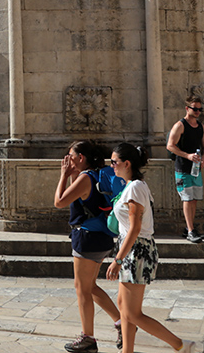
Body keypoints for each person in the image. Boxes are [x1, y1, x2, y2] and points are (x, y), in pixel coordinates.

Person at [105, 143, 197, 353]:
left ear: (126, 163)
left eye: (114, 162)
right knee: (124, 306)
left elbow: (135, 228)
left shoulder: (136, 187)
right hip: (131, 249)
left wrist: (117, 260)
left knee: (133, 313)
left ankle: (181, 345)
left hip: (136, 251)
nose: (112, 166)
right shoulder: (132, 186)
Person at [54, 140, 121, 353]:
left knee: (82, 289)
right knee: (90, 287)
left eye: (71, 156)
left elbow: (60, 201)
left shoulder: (85, 178)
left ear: (81, 158)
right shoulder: (100, 174)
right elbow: (84, 199)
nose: (68, 160)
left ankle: (88, 338)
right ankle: (121, 322)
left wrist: (63, 175)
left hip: (87, 238)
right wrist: (73, 174)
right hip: (101, 237)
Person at [164, 95, 204, 243]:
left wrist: (203, 158)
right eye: (195, 109)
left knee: (194, 199)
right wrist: (187, 156)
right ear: (187, 108)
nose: (198, 112)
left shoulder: (201, 127)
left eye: (200, 109)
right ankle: (190, 230)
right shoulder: (180, 125)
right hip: (183, 168)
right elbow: (170, 145)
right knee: (187, 199)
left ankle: (189, 228)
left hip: (196, 169)